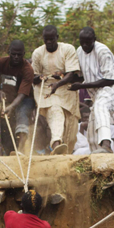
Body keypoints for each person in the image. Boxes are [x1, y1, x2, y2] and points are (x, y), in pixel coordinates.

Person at [71, 27, 114, 153]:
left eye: (88, 42)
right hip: (97, 94)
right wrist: (61, 80)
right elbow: (77, 75)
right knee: (91, 131)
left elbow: (109, 80)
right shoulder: (79, 51)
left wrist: (81, 86)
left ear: (94, 40)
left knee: (101, 105)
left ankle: (106, 144)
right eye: (82, 42)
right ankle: (100, 157)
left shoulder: (102, 51)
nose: (85, 45)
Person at [31, 25, 81, 154]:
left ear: (57, 38)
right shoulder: (37, 53)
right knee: (55, 111)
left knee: (71, 130)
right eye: (46, 39)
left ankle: (62, 156)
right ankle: (56, 142)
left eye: (51, 39)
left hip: (67, 90)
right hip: (47, 90)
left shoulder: (68, 49)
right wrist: (39, 77)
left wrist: (58, 84)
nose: (48, 42)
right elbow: (33, 76)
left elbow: (71, 73)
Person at [0, 39, 36, 155]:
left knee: (21, 113)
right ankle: (9, 152)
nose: (16, 57)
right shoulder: (0, 63)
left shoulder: (28, 69)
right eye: (13, 54)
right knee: (6, 127)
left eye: (19, 54)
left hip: (25, 99)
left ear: (24, 54)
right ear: (9, 52)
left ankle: (21, 148)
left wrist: (12, 106)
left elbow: (22, 94)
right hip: (7, 100)